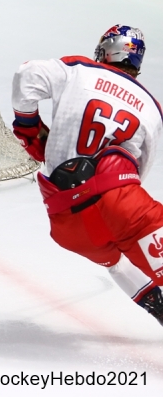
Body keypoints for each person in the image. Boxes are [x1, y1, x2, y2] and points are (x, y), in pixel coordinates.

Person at [12, 25, 163, 325]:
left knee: (116, 263)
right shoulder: (151, 108)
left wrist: (27, 126)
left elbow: (26, 74)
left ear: (107, 50)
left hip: (67, 222)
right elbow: (138, 170)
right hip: (121, 203)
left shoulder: (79, 69)